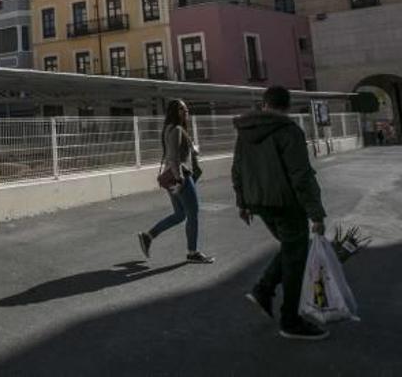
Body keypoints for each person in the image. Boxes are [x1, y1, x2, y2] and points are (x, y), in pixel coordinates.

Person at [232, 86, 329, 341]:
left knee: (291, 247)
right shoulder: (289, 131)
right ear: (286, 106)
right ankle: (290, 319)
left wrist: (242, 203)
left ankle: (264, 289)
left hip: (259, 204)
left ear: (265, 104)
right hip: (286, 204)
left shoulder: (245, 131)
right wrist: (316, 214)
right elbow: (301, 176)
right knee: (295, 257)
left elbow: (237, 169)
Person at [137, 99, 214, 264]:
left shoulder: (169, 128)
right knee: (193, 214)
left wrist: (192, 150)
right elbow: (173, 158)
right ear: (174, 111)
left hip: (171, 176)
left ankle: (148, 236)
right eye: (182, 109)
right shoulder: (177, 129)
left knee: (180, 215)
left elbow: (173, 154)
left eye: (186, 109)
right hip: (181, 177)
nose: (186, 112)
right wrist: (180, 181)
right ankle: (192, 252)